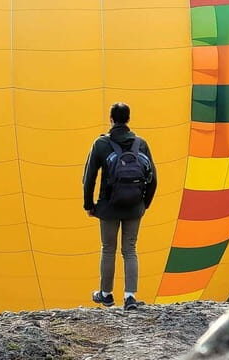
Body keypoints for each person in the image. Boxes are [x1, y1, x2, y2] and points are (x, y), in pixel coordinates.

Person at [82, 102, 157, 310]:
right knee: (130, 250)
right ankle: (130, 296)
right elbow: (153, 178)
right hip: (135, 206)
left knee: (108, 249)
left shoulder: (100, 144)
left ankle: (106, 294)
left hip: (108, 207)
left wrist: (89, 205)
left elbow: (89, 178)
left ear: (111, 119)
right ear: (128, 119)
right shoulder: (141, 144)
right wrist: (144, 204)